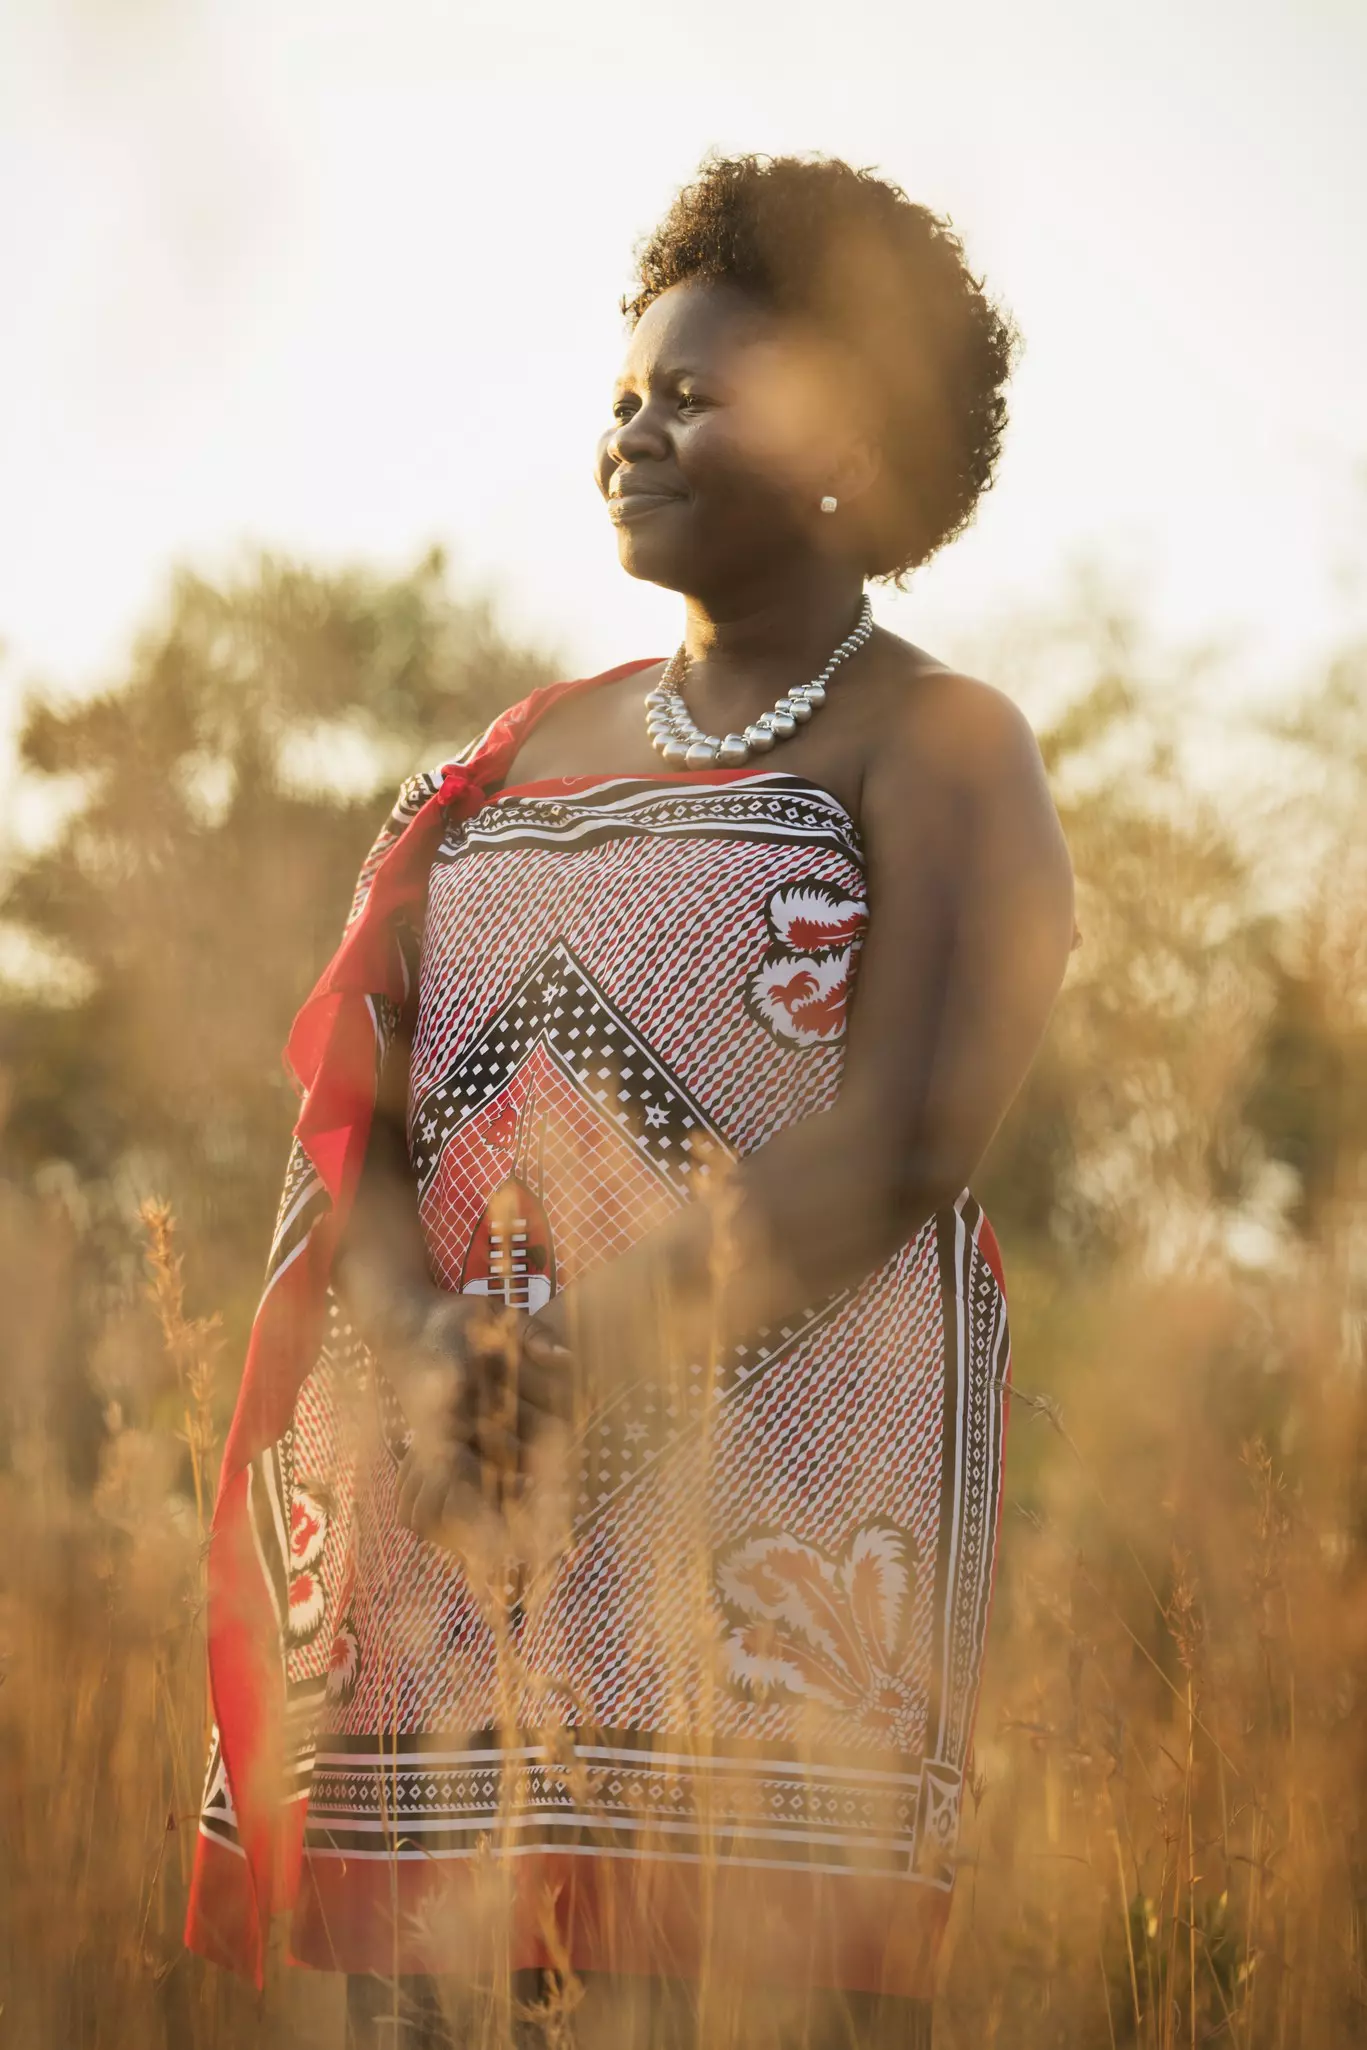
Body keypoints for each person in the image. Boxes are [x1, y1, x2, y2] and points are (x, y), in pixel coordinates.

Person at [186, 154, 1075, 2048]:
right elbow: (359, 1096)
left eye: (695, 393)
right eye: (621, 398)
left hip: (760, 1553)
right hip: (456, 1527)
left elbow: (913, 1135)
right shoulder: (502, 760)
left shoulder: (941, 745)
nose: (636, 430)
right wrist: (430, 1352)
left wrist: (574, 1355)